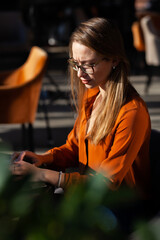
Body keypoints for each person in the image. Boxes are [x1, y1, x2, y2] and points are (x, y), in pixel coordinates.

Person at [11, 17, 151, 198]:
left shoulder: (132, 112)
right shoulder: (93, 96)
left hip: (122, 207)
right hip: (90, 197)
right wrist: (43, 159)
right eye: (76, 63)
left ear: (114, 60)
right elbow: (74, 147)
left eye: (89, 65)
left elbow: (108, 183)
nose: (79, 73)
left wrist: (44, 174)